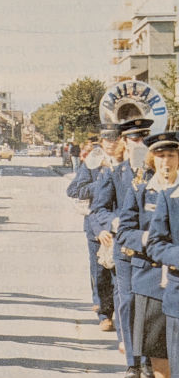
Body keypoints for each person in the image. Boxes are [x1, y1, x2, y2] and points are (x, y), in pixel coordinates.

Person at [119, 131, 179, 378]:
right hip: (150, 273)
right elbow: (125, 231)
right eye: (160, 156)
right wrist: (152, 239)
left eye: (171, 155)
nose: (165, 161)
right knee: (157, 341)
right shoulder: (141, 188)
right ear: (152, 159)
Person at [90, 117, 153, 378]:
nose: (139, 144)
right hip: (125, 247)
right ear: (124, 143)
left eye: (144, 139)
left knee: (150, 305)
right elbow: (99, 209)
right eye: (134, 139)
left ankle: (151, 358)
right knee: (127, 302)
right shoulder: (113, 173)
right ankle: (133, 362)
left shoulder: (156, 173)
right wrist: (112, 223)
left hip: (152, 247)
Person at [67, 132, 116, 336]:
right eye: (108, 141)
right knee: (100, 271)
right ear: (102, 143)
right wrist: (105, 181)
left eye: (116, 140)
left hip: (120, 224)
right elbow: (74, 190)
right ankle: (104, 313)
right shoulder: (94, 163)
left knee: (118, 273)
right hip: (96, 224)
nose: (112, 144)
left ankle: (114, 309)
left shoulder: (130, 162)